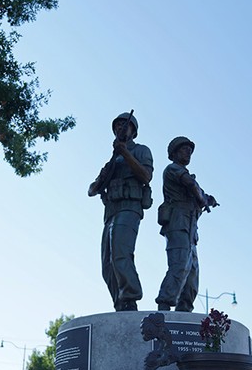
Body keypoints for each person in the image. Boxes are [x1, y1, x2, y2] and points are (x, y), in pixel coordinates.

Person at [88, 112, 154, 311]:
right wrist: (107, 172)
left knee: (120, 253)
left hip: (129, 207)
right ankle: (120, 304)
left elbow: (146, 176)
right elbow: (92, 190)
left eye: (125, 125)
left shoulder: (141, 151)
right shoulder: (111, 161)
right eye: (117, 126)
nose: (120, 128)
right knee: (107, 264)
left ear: (133, 131)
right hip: (111, 211)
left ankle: (130, 297)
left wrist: (125, 152)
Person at [155, 136, 218, 312]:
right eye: (184, 149)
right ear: (174, 153)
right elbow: (192, 186)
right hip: (177, 223)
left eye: (190, 151)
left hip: (191, 228)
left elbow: (200, 193)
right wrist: (203, 199)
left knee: (192, 275)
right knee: (179, 265)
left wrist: (208, 199)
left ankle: (185, 311)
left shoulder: (187, 175)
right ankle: (164, 306)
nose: (188, 153)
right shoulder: (173, 169)